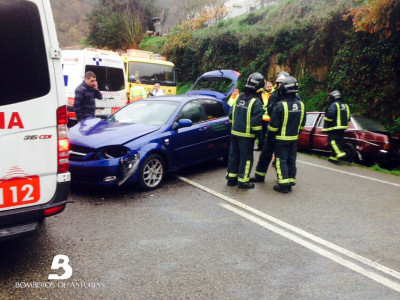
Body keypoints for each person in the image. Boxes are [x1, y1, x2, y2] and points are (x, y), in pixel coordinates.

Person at [226, 73, 264, 189]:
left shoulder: (239, 97)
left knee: (233, 156)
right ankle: (243, 181)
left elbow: (231, 115)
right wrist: (260, 138)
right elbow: (256, 124)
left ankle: (231, 179)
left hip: (235, 133)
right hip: (247, 136)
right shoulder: (256, 101)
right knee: (246, 158)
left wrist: (234, 127)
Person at [268, 76, 306, 193]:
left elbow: (273, 125)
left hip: (281, 138)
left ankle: (283, 184)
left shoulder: (280, 105)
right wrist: (296, 133)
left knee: (281, 160)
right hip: (294, 138)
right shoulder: (301, 105)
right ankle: (290, 180)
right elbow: (302, 123)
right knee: (291, 160)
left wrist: (270, 137)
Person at [250, 71, 289, 181]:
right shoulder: (275, 95)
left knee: (282, 157)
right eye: (279, 83)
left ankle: (284, 179)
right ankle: (259, 176)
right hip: (272, 129)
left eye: (282, 83)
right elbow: (271, 110)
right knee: (265, 153)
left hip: (284, 132)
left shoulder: (294, 98)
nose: (280, 85)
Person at [322, 90, 350, 163]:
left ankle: (340, 153)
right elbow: (348, 117)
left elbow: (329, 115)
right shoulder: (345, 106)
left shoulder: (334, 105)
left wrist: (327, 122)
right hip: (342, 127)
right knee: (338, 142)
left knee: (332, 141)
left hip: (334, 127)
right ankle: (333, 158)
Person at [255, 81, 275, 150]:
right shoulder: (261, 93)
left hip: (270, 117)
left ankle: (268, 147)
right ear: (265, 87)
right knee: (261, 134)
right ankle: (260, 146)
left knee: (269, 134)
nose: (269, 88)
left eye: (270, 87)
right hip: (262, 117)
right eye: (267, 87)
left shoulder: (274, 94)